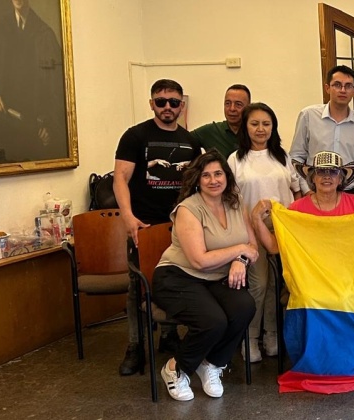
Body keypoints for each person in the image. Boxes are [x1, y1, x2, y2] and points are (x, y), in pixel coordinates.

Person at [152, 150, 259, 401]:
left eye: (218, 173)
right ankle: (176, 369)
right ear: (197, 180)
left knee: (244, 306)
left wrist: (241, 259)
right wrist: (239, 250)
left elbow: (253, 249)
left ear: (227, 176)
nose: (213, 180)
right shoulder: (188, 209)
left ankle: (211, 363)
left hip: (213, 278)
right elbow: (199, 260)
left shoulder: (236, 203)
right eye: (206, 175)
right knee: (213, 321)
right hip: (177, 277)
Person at [113, 79, 201, 376]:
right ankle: (135, 346)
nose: (167, 107)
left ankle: (168, 336)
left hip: (179, 227)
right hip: (144, 225)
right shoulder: (135, 136)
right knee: (138, 286)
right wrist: (126, 215)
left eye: (173, 102)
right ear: (151, 103)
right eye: (161, 101)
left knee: (178, 283)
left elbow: (196, 185)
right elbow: (120, 179)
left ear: (181, 105)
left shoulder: (190, 141)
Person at [227, 103, 302, 363]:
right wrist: (248, 232)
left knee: (276, 285)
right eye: (255, 124)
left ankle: (272, 336)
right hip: (251, 229)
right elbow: (231, 201)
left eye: (266, 124)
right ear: (245, 127)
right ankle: (250, 337)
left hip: (282, 228)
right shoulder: (235, 159)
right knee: (258, 285)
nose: (261, 129)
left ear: (273, 127)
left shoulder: (282, 156)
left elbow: (296, 191)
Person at [0, 0, 67, 164]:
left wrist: (49, 127)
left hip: (33, 130)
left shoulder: (44, 35)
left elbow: (57, 89)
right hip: (1, 126)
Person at [250, 151, 354, 254]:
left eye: (333, 172)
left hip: (347, 271)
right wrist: (256, 218)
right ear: (313, 178)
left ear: (340, 179)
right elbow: (274, 247)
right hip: (310, 275)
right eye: (320, 172)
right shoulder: (297, 208)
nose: (327, 177)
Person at [290, 65, 354, 205]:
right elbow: (295, 157)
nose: (342, 90)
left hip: (351, 194)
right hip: (314, 192)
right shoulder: (308, 115)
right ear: (327, 88)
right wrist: (307, 191)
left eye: (348, 86)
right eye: (337, 85)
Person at [191, 84, 252, 158]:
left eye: (238, 104)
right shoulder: (211, 131)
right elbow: (184, 140)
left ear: (248, 107)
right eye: (227, 103)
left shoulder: (254, 133)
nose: (232, 109)